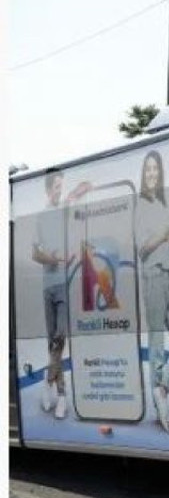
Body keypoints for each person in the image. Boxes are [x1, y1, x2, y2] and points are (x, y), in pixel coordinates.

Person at [137, 151, 169, 432]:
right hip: (153, 277)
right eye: (148, 170)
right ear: (143, 174)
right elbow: (143, 248)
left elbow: (163, 237)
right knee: (157, 343)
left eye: (156, 169)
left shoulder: (160, 202)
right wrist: (167, 229)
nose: (152, 174)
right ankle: (162, 405)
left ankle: (162, 391)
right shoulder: (141, 205)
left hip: (168, 274)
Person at [32, 169, 70, 418]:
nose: (60, 190)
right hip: (48, 285)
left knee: (59, 338)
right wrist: (53, 258)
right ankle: (62, 396)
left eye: (61, 186)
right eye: (56, 187)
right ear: (48, 190)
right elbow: (35, 254)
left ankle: (48, 384)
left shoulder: (65, 213)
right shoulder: (41, 218)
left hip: (65, 285)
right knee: (52, 343)